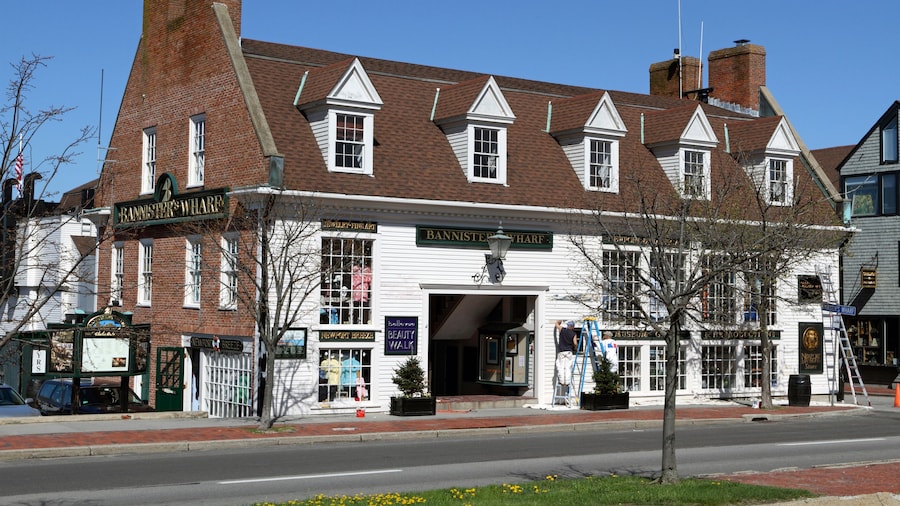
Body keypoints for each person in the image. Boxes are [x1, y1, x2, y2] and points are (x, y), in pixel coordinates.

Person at [555, 320, 579, 386]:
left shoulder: (563, 330)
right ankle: (567, 382)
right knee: (568, 367)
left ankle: (562, 381)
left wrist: (559, 321)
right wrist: (575, 348)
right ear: (572, 327)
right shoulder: (574, 334)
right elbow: (575, 343)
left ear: (568, 326)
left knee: (560, 366)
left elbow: (556, 324)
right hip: (569, 352)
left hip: (561, 351)